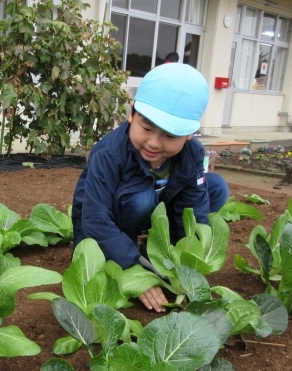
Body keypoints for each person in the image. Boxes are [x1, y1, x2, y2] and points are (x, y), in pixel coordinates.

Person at [71, 63, 229, 312]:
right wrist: (133, 269)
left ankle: (153, 253)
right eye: (146, 128)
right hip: (106, 226)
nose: (154, 143)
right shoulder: (109, 154)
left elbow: (193, 212)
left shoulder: (192, 153)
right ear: (131, 113)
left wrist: (182, 267)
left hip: (153, 210)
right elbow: (93, 219)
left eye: (170, 136)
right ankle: (131, 253)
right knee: (141, 197)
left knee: (216, 187)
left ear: (190, 134)